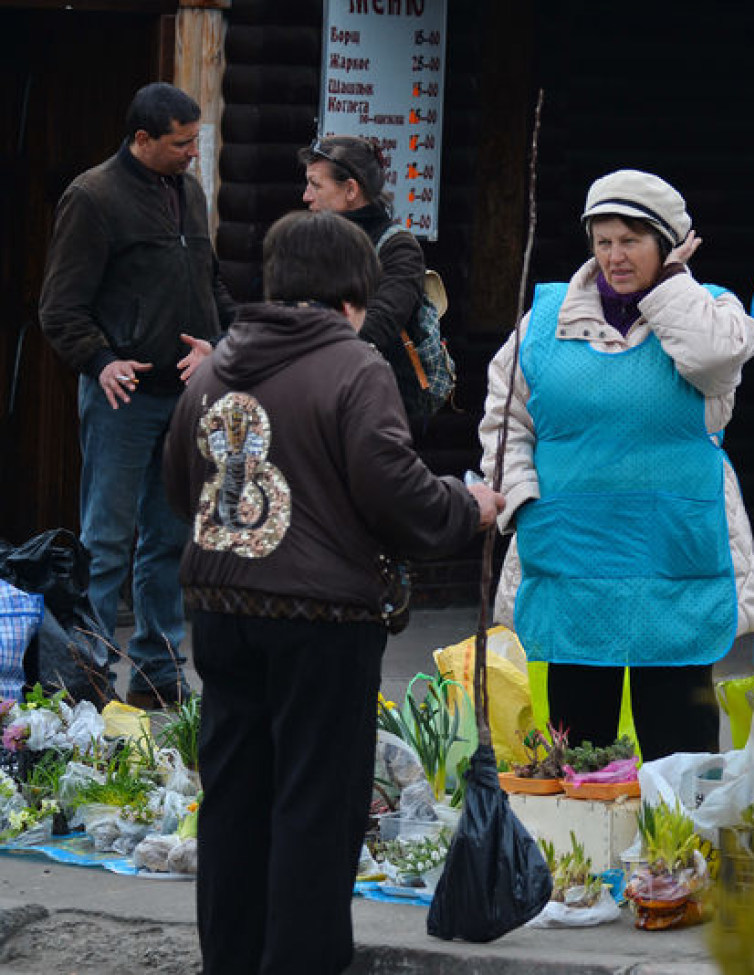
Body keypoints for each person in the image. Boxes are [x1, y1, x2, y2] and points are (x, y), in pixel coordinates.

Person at [162, 209, 504, 975]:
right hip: (321, 618)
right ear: (355, 292)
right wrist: (466, 505)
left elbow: (180, 483)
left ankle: (232, 962)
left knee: (234, 800)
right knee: (317, 805)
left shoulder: (216, 366)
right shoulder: (355, 367)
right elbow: (394, 492)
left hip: (219, 608)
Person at [479, 169, 754, 761]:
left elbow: (714, 360)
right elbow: (505, 420)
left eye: (632, 240)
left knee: (680, 759)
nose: (614, 256)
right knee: (580, 755)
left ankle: (675, 857)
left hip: (674, 559)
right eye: (603, 241)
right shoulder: (543, 323)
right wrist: (525, 504)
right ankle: (581, 859)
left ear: (668, 243)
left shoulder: (713, 312)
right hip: (572, 557)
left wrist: (672, 285)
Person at [38, 82, 234, 709]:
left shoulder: (191, 192)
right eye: (181, 143)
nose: (191, 155)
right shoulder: (92, 197)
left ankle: (158, 672)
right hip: (122, 399)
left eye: (195, 141)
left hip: (183, 397)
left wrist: (221, 344)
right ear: (142, 139)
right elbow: (59, 306)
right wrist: (101, 360)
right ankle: (87, 672)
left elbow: (210, 283)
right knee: (106, 541)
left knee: (169, 538)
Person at [297, 134, 434, 436]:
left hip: (381, 409)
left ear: (350, 190)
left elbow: (378, 324)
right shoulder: (313, 240)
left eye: (316, 185)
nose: (306, 196)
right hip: (318, 402)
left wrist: (303, 345)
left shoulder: (397, 247)